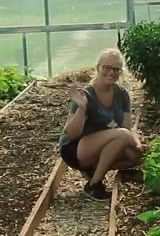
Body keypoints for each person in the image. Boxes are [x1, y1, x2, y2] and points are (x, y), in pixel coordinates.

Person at [59, 48, 144, 201]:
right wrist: (82, 107)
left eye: (116, 69)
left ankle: (93, 170)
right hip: (76, 148)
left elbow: (128, 127)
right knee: (122, 135)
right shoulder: (86, 94)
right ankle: (94, 184)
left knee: (136, 156)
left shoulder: (122, 94)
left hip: (104, 144)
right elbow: (71, 134)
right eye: (107, 68)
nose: (111, 72)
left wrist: (138, 145)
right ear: (98, 67)